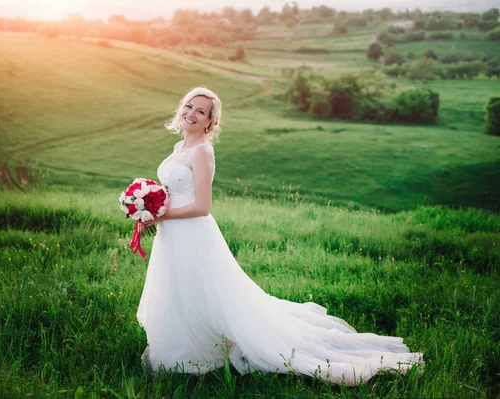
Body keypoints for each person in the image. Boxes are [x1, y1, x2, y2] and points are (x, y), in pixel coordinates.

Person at [136, 87, 423, 386]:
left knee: (202, 291)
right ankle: (183, 344)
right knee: (179, 288)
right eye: (189, 106)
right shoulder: (178, 149)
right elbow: (173, 192)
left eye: (201, 112)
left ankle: (201, 351)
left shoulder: (203, 152)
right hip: (172, 235)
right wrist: (149, 208)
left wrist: (162, 215)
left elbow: (203, 206)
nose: (191, 114)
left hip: (193, 234)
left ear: (210, 122)